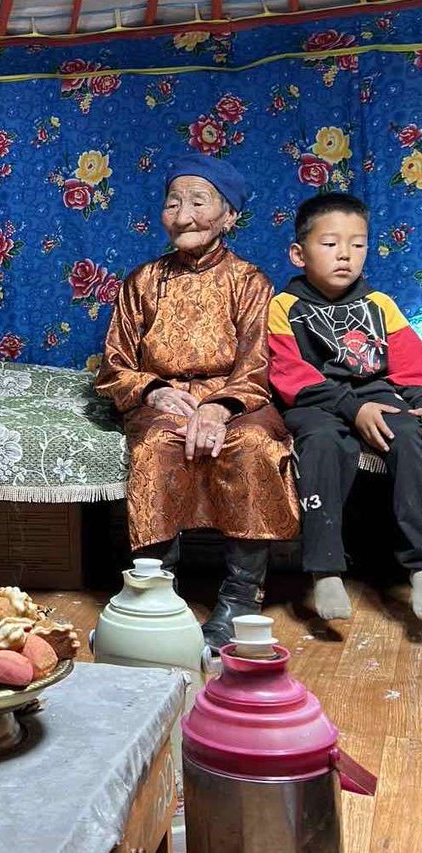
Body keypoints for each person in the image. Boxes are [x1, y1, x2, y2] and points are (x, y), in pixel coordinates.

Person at [96, 154, 299, 651]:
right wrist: (154, 390)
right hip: (163, 398)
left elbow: (257, 365)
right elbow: (114, 365)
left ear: (228, 216)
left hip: (236, 399)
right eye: (173, 202)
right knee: (157, 450)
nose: (183, 215)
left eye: (198, 202)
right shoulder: (142, 281)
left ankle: (239, 598)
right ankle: (156, 591)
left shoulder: (250, 282)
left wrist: (219, 407)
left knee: (252, 446)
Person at [268, 192, 422, 621]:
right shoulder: (284, 308)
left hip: (377, 395)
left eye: (358, 244)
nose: (346, 256)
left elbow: (412, 367)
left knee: (409, 433)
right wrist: (351, 409)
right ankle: (325, 569)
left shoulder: (380, 305)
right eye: (331, 243)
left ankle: (420, 565)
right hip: (316, 402)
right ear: (299, 253)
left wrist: (420, 401)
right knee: (320, 443)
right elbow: (289, 376)